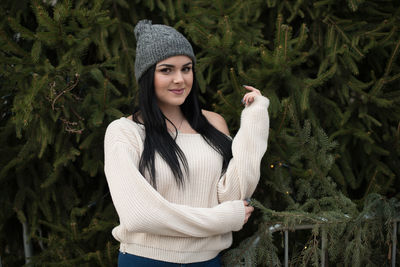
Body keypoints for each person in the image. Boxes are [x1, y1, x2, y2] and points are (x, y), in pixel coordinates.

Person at [104, 20, 270, 266]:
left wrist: (255, 120)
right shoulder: (124, 132)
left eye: (187, 68)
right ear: (147, 76)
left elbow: (233, 196)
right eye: (167, 70)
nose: (180, 79)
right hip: (147, 260)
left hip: (208, 261)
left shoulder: (213, 124)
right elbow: (139, 215)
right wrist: (223, 220)